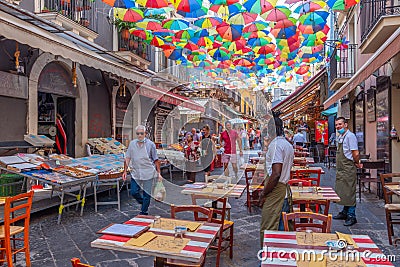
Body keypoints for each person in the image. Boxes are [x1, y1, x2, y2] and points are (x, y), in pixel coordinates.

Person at [258, 115, 294, 247]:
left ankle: (267, 261)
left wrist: (264, 194)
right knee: (281, 230)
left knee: (269, 229)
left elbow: (276, 173)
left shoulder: (276, 145)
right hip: (283, 191)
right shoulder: (287, 144)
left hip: (276, 191)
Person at [122, 125, 162, 215]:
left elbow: (156, 159)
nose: (139, 135)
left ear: (145, 134)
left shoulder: (151, 144)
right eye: (138, 134)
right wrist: (125, 171)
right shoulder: (132, 144)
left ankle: (144, 212)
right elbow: (127, 157)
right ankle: (143, 203)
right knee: (134, 191)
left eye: (141, 133)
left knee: (146, 194)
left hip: (148, 172)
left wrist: (159, 173)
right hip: (136, 172)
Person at [333, 117, 362, 226]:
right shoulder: (341, 137)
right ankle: (345, 212)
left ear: (346, 124)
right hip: (341, 169)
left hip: (348, 168)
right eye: (336, 125)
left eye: (340, 124)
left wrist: (357, 162)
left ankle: (351, 215)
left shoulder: (350, 136)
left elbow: (355, 153)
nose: (338, 127)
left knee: (350, 191)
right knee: (343, 191)